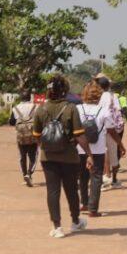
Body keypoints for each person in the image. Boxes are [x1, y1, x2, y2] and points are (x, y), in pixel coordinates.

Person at [33, 74, 94, 238]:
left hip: (48, 158)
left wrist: (46, 146)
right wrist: (89, 154)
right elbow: (80, 135)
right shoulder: (70, 108)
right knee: (72, 190)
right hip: (69, 156)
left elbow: (37, 135)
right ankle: (75, 221)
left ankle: (57, 227)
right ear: (64, 90)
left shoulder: (40, 109)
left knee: (53, 191)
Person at [76, 80, 114, 217]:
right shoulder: (104, 111)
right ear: (99, 96)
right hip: (97, 149)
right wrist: (120, 144)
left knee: (82, 176)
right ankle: (93, 209)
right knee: (96, 177)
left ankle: (84, 203)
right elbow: (110, 128)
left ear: (84, 95)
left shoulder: (78, 109)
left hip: (81, 148)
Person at [95, 74, 126, 189]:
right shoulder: (112, 96)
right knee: (113, 152)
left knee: (104, 151)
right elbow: (117, 112)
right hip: (111, 127)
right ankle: (111, 179)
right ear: (109, 85)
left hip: (100, 127)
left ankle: (105, 177)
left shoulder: (98, 97)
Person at [10, 92, 39, 187]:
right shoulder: (36, 107)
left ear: (21, 98)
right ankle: (29, 174)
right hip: (33, 136)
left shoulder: (15, 108)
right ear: (29, 97)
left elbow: (11, 122)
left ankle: (24, 175)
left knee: (22, 157)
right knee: (33, 156)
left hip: (21, 136)